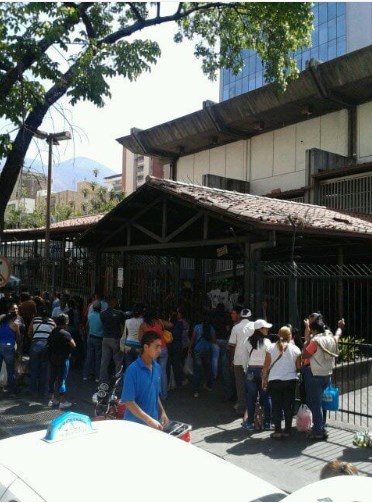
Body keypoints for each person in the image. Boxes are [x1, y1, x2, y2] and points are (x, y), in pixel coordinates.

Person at [121, 331, 169, 429]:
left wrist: (162, 412)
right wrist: (148, 420)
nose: (159, 350)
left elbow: (155, 394)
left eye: (160, 346)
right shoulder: (132, 370)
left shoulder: (157, 367)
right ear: (146, 347)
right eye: (156, 347)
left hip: (152, 425)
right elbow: (129, 402)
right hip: (134, 426)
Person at [301, 318, 339, 441]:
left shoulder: (315, 341)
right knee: (321, 403)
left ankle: (318, 431)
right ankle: (321, 427)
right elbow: (338, 336)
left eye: (311, 331)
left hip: (314, 374)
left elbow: (305, 354)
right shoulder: (331, 338)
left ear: (315, 330)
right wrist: (340, 327)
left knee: (315, 404)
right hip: (327, 374)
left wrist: (307, 340)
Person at [262, 326, 301, 439]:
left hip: (274, 380)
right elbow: (298, 367)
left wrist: (264, 379)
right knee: (288, 406)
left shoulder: (270, 348)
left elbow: (266, 366)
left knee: (276, 406)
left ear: (278, 335)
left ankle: (277, 430)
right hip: (290, 381)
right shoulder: (295, 349)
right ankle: (287, 430)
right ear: (290, 336)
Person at [242, 319, 272, 431]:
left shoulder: (247, 341)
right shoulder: (267, 342)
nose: (267, 329)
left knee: (251, 398)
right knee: (266, 397)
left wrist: (246, 369)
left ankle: (249, 423)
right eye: (265, 328)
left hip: (251, 370)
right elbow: (270, 358)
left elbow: (245, 357)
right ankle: (267, 422)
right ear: (260, 329)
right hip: (263, 371)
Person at [139, 308, 172, 401]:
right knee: (163, 372)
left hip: (152, 351)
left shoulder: (143, 325)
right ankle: (164, 395)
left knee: (152, 372)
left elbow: (140, 339)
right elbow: (171, 324)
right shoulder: (159, 322)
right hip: (163, 348)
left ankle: (153, 395)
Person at [47, 314, 76, 409]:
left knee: (52, 379)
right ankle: (62, 401)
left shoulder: (52, 332)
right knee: (62, 380)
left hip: (53, 358)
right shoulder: (66, 334)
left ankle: (51, 399)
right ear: (65, 323)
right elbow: (73, 344)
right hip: (63, 359)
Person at [228, 307, 254, 414]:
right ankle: (252, 407)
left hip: (238, 359)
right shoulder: (254, 327)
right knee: (252, 384)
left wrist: (232, 359)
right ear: (250, 316)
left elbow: (231, 345)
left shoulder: (236, 328)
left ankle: (242, 408)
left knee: (240, 384)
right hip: (253, 360)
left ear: (241, 316)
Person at [28, 306, 55, 398]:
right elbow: (54, 335)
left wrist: (34, 340)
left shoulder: (35, 320)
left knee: (34, 368)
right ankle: (42, 392)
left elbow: (29, 332)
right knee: (44, 370)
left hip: (35, 344)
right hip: (46, 346)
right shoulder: (52, 322)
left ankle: (32, 391)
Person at [99, 296, 126, 384]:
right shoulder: (119, 314)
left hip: (105, 338)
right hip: (115, 339)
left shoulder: (103, 314)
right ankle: (117, 383)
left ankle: (103, 381)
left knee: (104, 361)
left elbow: (103, 323)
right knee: (118, 362)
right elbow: (123, 326)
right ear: (113, 303)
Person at [189, 311, 216, 398]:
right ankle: (209, 385)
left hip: (197, 349)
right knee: (208, 368)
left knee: (197, 370)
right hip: (207, 349)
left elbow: (193, 339)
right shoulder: (211, 328)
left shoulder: (197, 327)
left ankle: (196, 391)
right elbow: (214, 340)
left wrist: (189, 348)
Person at [0, 306, 21, 394]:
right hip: (9, 347)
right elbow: (18, 338)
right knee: (10, 369)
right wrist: (18, 349)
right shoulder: (14, 324)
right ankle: (12, 390)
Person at [83, 300, 104, 382]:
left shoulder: (90, 316)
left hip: (90, 337)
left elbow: (87, 326)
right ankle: (97, 377)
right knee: (98, 358)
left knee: (89, 357)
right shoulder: (102, 316)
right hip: (99, 338)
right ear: (100, 308)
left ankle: (85, 375)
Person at [120, 305, 143, 371]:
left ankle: (128, 380)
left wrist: (122, 346)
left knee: (128, 366)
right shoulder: (142, 321)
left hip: (128, 345)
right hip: (138, 346)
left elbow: (124, 334)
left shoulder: (127, 321)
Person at [166, 307, 184, 389]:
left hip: (169, 346)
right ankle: (178, 382)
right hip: (177, 346)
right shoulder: (180, 324)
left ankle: (168, 382)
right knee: (177, 365)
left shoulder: (168, 325)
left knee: (168, 365)